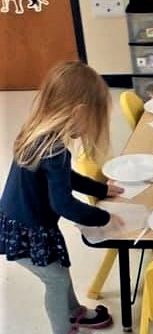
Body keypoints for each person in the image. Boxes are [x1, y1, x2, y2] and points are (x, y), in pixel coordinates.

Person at [0, 61, 124, 334]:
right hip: (27, 229)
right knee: (55, 279)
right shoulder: (52, 149)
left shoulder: (39, 134)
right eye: (94, 117)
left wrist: (100, 190)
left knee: (58, 270)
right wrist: (103, 217)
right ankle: (62, 329)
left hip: (24, 220)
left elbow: (63, 178)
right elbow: (64, 204)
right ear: (79, 112)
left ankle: (74, 312)